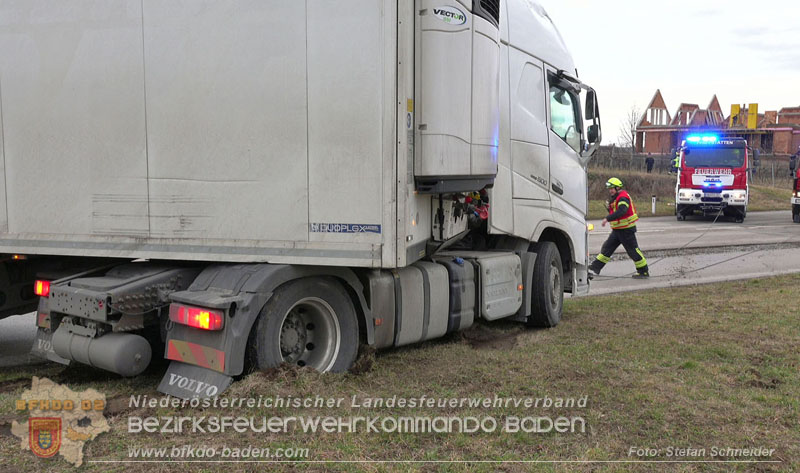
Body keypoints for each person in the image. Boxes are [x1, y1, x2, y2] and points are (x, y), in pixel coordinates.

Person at [589, 178, 649, 279]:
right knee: (607, 248)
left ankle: (643, 271)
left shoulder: (623, 197)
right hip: (618, 229)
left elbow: (622, 211)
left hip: (626, 230)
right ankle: (595, 267)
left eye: (612, 188)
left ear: (618, 188)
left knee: (633, 251)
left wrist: (607, 219)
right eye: (609, 189)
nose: (610, 191)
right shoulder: (616, 197)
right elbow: (616, 211)